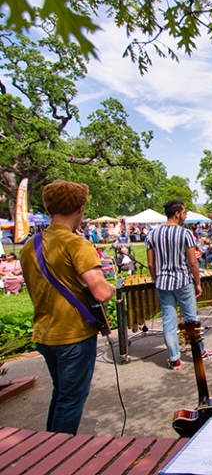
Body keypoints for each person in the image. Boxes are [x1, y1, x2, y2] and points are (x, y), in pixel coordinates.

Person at [20, 180, 116, 435]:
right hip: (73, 335)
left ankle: (49, 446)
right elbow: (101, 292)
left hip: (44, 332)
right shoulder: (76, 244)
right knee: (71, 401)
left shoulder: (31, 245)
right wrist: (113, 287)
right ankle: (59, 455)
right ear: (80, 208)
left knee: (61, 395)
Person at [146, 200, 212, 370]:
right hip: (183, 282)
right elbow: (193, 263)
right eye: (184, 213)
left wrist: (157, 279)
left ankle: (174, 358)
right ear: (177, 213)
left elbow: (150, 264)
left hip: (163, 284)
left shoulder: (151, 235)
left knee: (168, 321)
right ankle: (199, 352)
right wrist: (198, 283)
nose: (186, 216)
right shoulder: (185, 234)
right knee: (191, 319)